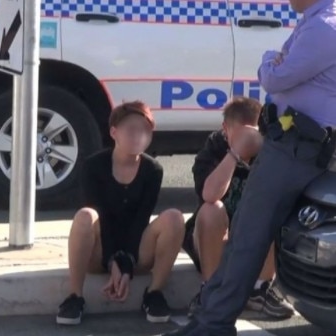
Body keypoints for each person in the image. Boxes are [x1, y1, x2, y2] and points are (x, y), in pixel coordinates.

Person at [165, 0, 336, 334]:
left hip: (296, 145)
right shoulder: (315, 21)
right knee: (245, 230)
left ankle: (213, 323)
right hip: (290, 141)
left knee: (248, 237)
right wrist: (276, 63)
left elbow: (275, 77)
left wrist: (268, 60)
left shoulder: (324, 27)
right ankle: (207, 319)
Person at [56, 100, 186, 326]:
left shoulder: (152, 169)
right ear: (114, 132)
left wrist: (126, 264)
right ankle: (75, 296)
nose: (139, 136)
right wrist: (111, 261)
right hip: (98, 250)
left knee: (174, 217)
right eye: (132, 129)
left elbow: (140, 220)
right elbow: (101, 218)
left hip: (137, 249)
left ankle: (154, 293)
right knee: (85, 216)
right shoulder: (93, 166)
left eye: (145, 131)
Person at [182, 97, 294, 319]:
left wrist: (263, 149)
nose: (247, 139)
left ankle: (259, 289)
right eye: (239, 133)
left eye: (250, 133)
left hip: (249, 243)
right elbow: (209, 194)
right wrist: (235, 154)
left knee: (274, 201)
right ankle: (210, 290)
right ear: (225, 129)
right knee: (211, 209)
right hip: (212, 241)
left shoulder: (270, 149)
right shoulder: (213, 149)